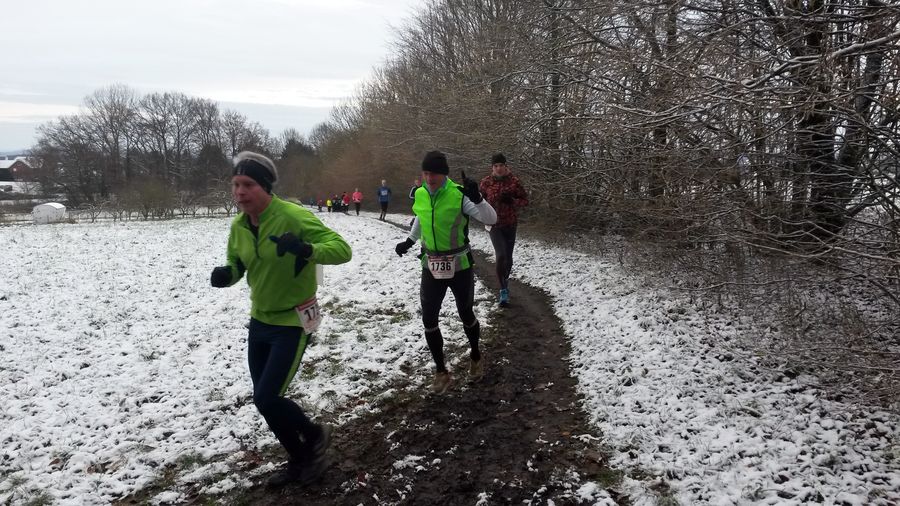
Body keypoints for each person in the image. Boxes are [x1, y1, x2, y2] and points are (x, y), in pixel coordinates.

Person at [210, 151, 352, 487]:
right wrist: (227, 274)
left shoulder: (292, 215)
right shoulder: (239, 225)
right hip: (260, 319)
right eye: (235, 184)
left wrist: (306, 249)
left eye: (248, 184)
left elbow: (342, 249)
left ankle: (314, 435)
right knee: (265, 401)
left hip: (293, 320)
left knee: (267, 397)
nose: (240, 192)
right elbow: (237, 262)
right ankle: (301, 458)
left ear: (265, 187)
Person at [394, 151, 497, 394]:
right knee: (429, 319)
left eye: (435, 174)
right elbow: (421, 217)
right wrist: (409, 241)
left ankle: (475, 356)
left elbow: (491, 219)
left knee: (465, 313)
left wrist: (478, 199)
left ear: (444, 174)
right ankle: (441, 372)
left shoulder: (459, 195)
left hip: (459, 266)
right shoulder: (420, 193)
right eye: (426, 173)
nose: (430, 178)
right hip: (430, 265)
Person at [479, 153, 528, 307]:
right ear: (492, 167)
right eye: (496, 166)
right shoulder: (486, 182)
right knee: (500, 256)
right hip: (494, 225)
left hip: (510, 224)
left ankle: (505, 280)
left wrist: (512, 201)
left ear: (506, 166)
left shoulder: (514, 181)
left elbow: (525, 200)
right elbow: (478, 201)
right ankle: (503, 290)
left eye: (501, 165)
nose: (498, 168)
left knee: (508, 258)